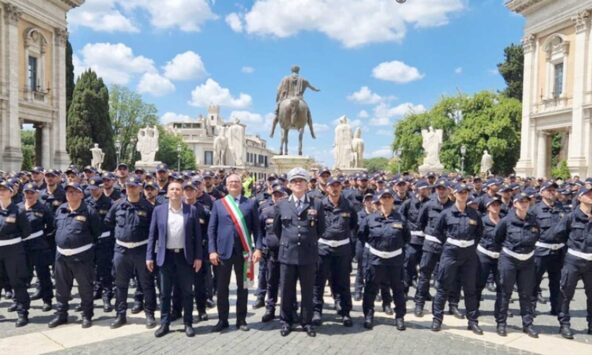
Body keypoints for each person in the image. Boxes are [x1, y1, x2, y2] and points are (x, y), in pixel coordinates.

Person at [273, 167, 326, 337]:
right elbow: (277, 229)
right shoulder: (282, 204)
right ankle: (286, 321)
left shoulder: (316, 203)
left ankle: (307, 322)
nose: (298, 184)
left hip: (308, 255)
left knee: (307, 291)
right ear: (289, 184)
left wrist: (307, 242)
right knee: (287, 290)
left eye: (301, 181)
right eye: (294, 181)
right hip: (287, 254)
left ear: (307, 184)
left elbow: (321, 229)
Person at [146, 181, 203, 338]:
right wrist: (149, 256)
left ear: (182, 192)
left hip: (185, 257)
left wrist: (198, 257)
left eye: (178, 189)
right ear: (167, 192)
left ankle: (188, 323)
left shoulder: (191, 210)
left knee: (187, 291)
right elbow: (152, 235)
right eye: (172, 189)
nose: (175, 192)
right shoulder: (159, 210)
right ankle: (165, 323)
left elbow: (197, 237)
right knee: (165, 293)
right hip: (165, 257)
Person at [208, 173, 262, 332]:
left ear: (241, 184)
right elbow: (211, 230)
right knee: (222, 288)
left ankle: (241, 320)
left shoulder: (250, 204)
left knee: (243, 288)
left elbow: (258, 230)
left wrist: (258, 248)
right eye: (230, 182)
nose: (233, 184)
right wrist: (212, 250)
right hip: (222, 253)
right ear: (226, 185)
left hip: (244, 253)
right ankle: (222, 320)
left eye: (236, 182)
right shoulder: (219, 204)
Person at [431, 183, 484, 335]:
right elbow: (438, 232)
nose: (463, 194)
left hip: (468, 254)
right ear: (454, 194)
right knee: (443, 286)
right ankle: (437, 319)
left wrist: (468, 245)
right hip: (450, 253)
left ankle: (472, 321)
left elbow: (479, 232)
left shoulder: (474, 214)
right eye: (460, 192)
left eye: (465, 192)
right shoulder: (446, 213)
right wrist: (450, 244)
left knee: (470, 289)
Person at [106, 176, 157, 330]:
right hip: (121, 250)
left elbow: (153, 231)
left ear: (140, 188)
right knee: (120, 284)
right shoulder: (117, 205)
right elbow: (109, 222)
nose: (131, 189)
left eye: (134, 186)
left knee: (146, 283)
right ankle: (120, 314)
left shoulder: (148, 207)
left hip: (141, 249)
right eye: (129, 186)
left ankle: (149, 313)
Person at [49, 182, 101, 329]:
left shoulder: (89, 212)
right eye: (68, 192)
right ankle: (61, 315)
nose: (70, 194)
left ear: (81, 194)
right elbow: (55, 228)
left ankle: (86, 315)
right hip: (61, 256)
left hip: (82, 256)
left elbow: (97, 232)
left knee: (85, 287)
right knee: (61, 288)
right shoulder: (61, 209)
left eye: (74, 191)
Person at [358, 188, 410, 331]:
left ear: (393, 200)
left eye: (389, 197)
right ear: (379, 200)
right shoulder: (370, 219)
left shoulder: (400, 219)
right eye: (383, 197)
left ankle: (399, 317)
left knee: (398, 290)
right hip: (376, 259)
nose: (386, 199)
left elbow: (407, 238)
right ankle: (368, 316)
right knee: (370, 288)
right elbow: (362, 236)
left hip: (394, 260)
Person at [493, 191, 540, 338]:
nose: (524, 204)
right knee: (504, 292)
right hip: (509, 259)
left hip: (527, 260)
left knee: (526, 293)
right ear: (515, 204)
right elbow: (497, 237)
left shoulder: (533, 221)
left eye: (526, 201)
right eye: (521, 201)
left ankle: (528, 324)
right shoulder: (506, 220)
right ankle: (501, 323)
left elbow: (536, 235)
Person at [312, 177, 358, 327]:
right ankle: (316, 310)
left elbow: (353, 226)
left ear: (341, 188)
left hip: (342, 250)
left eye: (337, 186)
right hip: (323, 249)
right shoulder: (319, 205)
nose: (335, 188)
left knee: (343, 281)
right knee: (318, 281)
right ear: (326, 188)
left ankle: (344, 311)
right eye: (332, 186)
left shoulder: (349, 206)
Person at [554, 186, 592, 339]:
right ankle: (564, 324)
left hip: (591, 262)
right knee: (565, 294)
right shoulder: (570, 217)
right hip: (573, 260)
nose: (591, 196)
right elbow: (558, 235)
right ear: (580, 198)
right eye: (588, 194)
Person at [530, 181, 565, 315]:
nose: (552, 192)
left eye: (554, 190)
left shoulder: (560, 208)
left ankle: (556, 307)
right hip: (541, 251)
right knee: (534, 280)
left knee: (556, 282)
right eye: (549, 190)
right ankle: (531, 307)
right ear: (542, 192)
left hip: (558, 251)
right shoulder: (535, 210)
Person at [0, 180, 32, 327]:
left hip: (13, 250)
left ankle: (22, 312)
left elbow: (26, 232)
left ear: (11, 192)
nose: (1, 192)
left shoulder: (18, 211)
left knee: (17, 282)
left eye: (4, 189)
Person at [19, 183, 54, 313]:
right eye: (27, 192)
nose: (29, 195)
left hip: (38, 245)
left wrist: (44, 239)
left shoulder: (43, 208)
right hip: (22, 246)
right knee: (21, 276)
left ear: (37, 194)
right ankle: (21, 302)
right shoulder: (18, 208)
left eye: (32, 192)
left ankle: (47, 300)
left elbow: (51, 226)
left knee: (43, 274)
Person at [85, 177, 114, 312]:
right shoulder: (87, 202)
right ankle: (97, 289)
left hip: (105, 241)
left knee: (105, 270)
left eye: (95, 189)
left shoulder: (110, 203)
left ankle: (107, 295)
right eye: (91, 189)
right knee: (92, 269)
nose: (92, 192)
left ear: (101, 188)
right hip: (91, 241)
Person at [260, 184, 288, 323]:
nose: (277, 197)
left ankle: (288, 310)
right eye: (275, 195)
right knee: (271, 282)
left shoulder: (290, 210)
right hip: (271, 253)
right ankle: (270, 309)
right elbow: (259, 231)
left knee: (287, 283)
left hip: (287, 253)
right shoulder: (266, 211)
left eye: (280, 195)